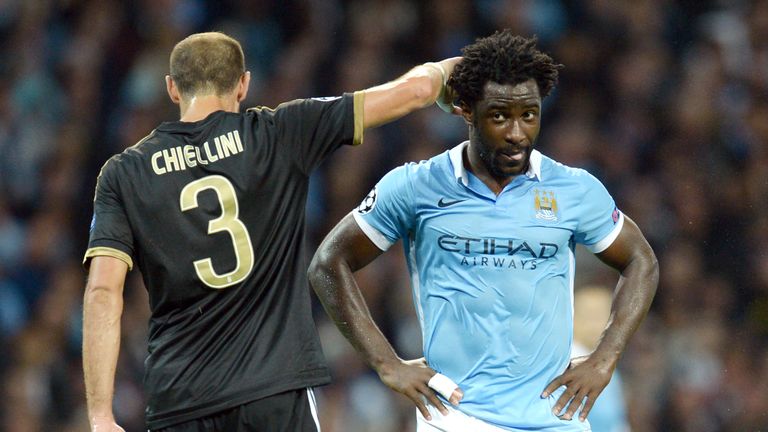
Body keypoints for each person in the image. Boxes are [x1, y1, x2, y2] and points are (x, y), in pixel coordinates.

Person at [82, 31, 461, 432]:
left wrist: (100, 415)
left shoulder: (123, 173)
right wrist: (450, 74)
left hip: (181, 399)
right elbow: (414, 89)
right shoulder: (280, 132)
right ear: (243, 84)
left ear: (173, 88)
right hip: (275, 391)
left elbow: (103, 291)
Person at [308, 30, 659, 431]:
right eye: (499, 116)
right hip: (456, 418)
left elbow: (640, 259)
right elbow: (328, 262)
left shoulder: (574, 189)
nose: (516, 133)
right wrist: (387, 364)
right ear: (465, 110)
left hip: (554, 419)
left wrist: (605, 357)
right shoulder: (416, 186)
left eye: (529, 115)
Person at [572, 285, 631, 432]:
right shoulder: (565, 366)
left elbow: (616, 421)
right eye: (588, 316)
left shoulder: (607, 365)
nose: (593, 324)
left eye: (600, 316)